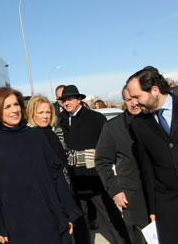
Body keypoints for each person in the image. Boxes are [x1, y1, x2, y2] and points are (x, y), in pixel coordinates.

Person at [0, 87, 80, 244]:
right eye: (7, 106)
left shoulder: (36, 136)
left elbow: (56, 175)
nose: (14, 110)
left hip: (48, 219)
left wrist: (67, 212)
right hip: (13, 225)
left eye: (16, 104)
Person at [126, 66, 178, 243]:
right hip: (170, 206)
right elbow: (147, 169)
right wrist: (153, 207)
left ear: (155, 90)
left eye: (137, 96)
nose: (135, 103)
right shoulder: (139, 125)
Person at [58, 85, 131, 244]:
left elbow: (108, 144)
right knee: (79, 221)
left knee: (111, 217)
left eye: (70, 99)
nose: (66, 102)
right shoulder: (59, 120)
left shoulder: (95, 118)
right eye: (63, 100)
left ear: (79, 99)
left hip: (95, 178)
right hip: (74, 181)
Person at [95, 86, 149, 244]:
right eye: (128, 99)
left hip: (163, 194)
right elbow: (102, 161)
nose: (133, 103)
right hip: (135, 197)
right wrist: (115, 191)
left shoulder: (155, 119)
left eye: (136, 98)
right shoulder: (113, 127)